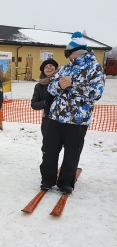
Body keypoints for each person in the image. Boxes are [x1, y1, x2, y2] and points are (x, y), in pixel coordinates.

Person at [40, 32, 105, 194]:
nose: (67, 55)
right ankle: (47, 179)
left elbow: (97, 92)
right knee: (49, 150)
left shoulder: (95, 69)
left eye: (68, 52)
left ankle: (65, 182)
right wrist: (60, 86)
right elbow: (51, 88)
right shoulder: (65, 68)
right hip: (56, 117)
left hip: (77, 120)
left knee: (71, 153)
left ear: (76, 52)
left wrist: (72, 86)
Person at [31, 59, 59, 138]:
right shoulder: (39, 86)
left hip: (63, 120)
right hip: (47, 120)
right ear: (43, 71)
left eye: (51, 65)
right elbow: (34, 104)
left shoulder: (62, 81)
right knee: (48, 148)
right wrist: (45, 102)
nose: (48, 68)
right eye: (46, 67)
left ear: (56, 68)